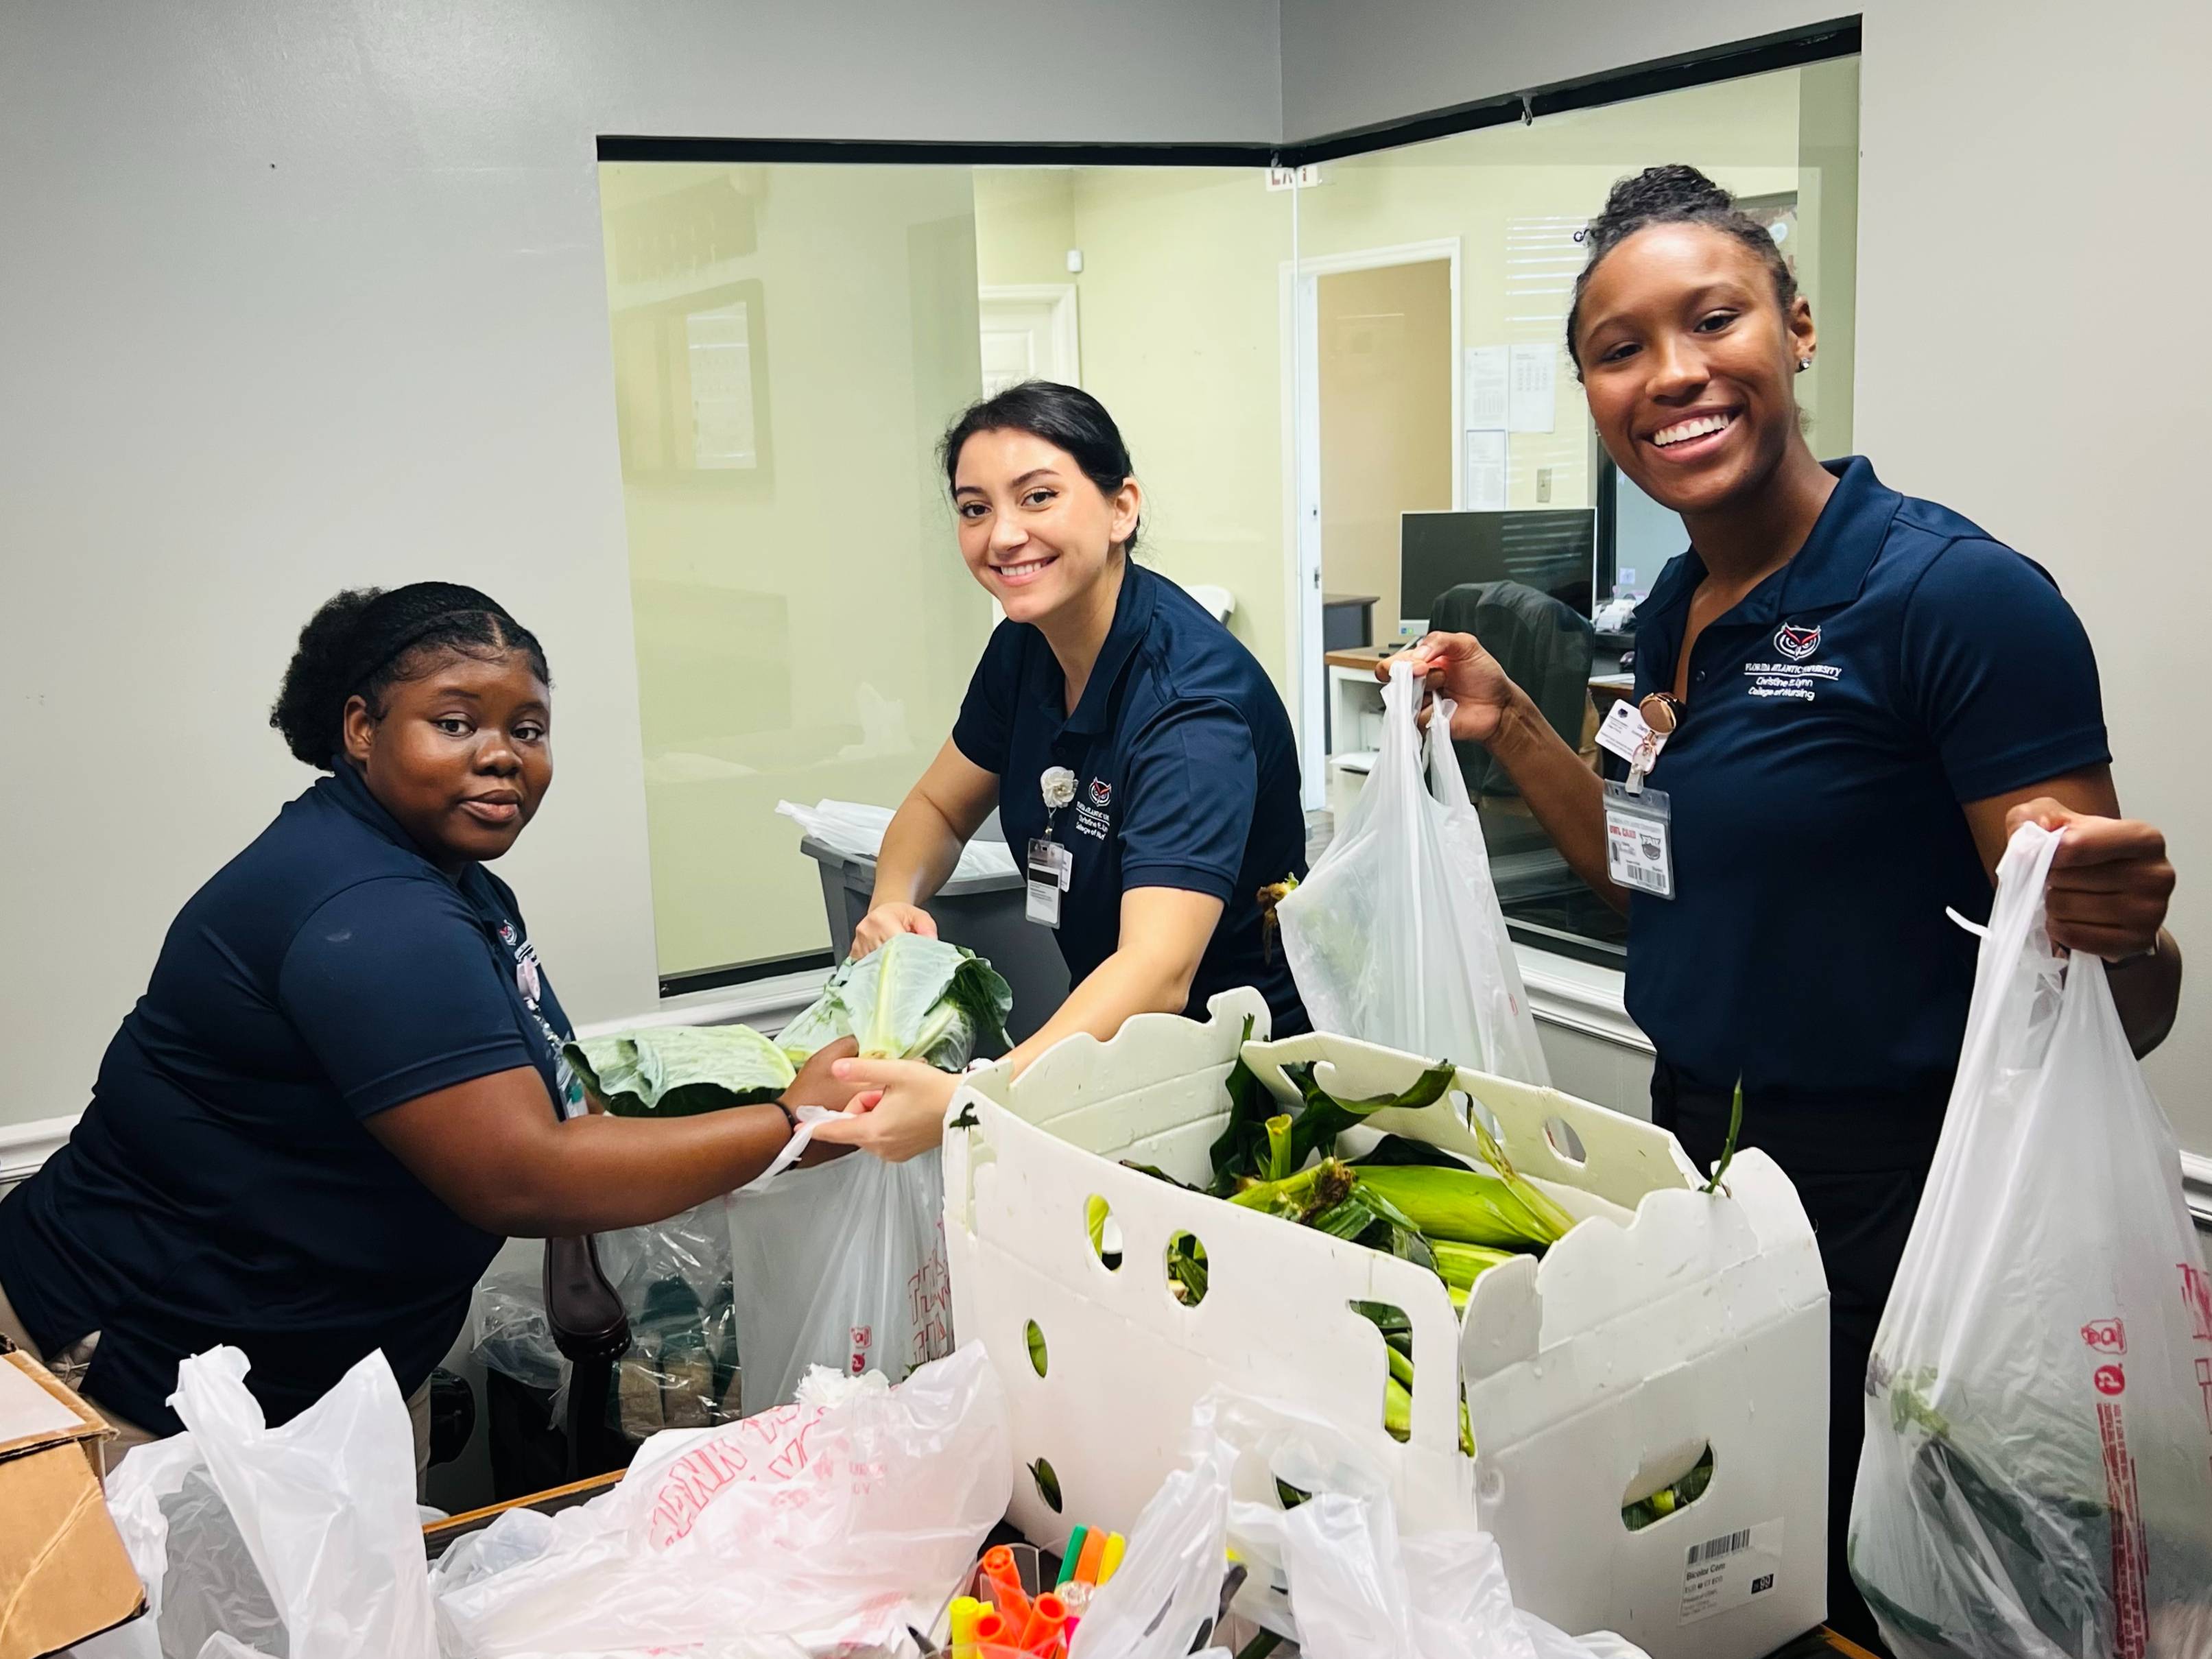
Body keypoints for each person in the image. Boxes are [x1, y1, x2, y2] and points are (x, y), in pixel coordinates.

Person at [1392, 167, 2179, 1651]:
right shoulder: (1674, 608)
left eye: (1711, 320)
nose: (1672, 373)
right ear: (1589, 387)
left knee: (1889, 1597)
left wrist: (2118, 939)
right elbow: (1649, 886)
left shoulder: (1950, 599)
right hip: (1696, 1160)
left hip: (1895, 1199)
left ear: (1795, 327)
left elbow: (2117, 1014)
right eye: (1619, 348)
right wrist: (1512, 727)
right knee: (1724, 1574)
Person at [0, 583, 864, 1468]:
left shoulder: (454, 884)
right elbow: (522, 1176)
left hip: (322, 1381)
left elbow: (552, 1098)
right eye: (455, 722)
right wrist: (792, 1129)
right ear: (361, 727)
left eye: (527, 729)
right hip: (135, 1375)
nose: (501, 756)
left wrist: (609, 1228)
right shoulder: (367, 909)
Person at [813, 382, 1308, 1162]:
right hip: (1113, 1069)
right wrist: (890, 903)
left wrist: (981, 1096)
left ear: (1122, 509)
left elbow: (1159, 973)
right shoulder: (1026, 648)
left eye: (1036, 497)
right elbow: (938, 810)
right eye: (974, 509)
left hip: (1237, 1094)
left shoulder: (1192, 712)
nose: (1003, 535)